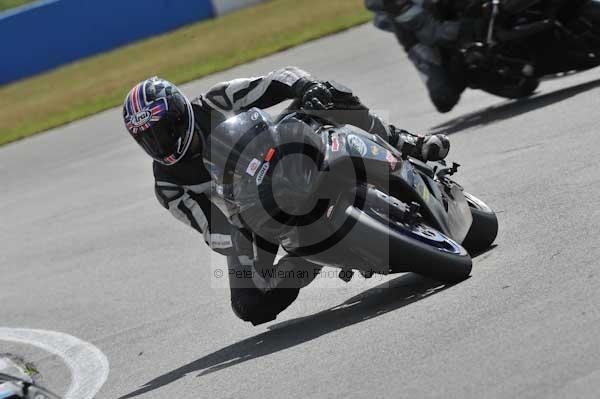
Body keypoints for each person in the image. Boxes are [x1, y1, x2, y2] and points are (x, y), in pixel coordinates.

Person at [122, 67, 450, 325]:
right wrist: (242, 231)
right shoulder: (167, 185)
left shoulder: (214, 102)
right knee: (249, 305)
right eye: (147, 138)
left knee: (330, 93)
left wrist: (304, 86)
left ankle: (406, 141)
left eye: (162, 130)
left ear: (179, 113)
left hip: (282, 153)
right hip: (252, 215)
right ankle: (309, 259)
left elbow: (275, 79)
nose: (159, 143)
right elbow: (213, 232)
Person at [365, 0, 475, 113]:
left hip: (446, 17)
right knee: (444, 98)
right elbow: (434, 33)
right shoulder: (396, 5)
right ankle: (469, 72)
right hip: (426, 38)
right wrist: (473, 27)